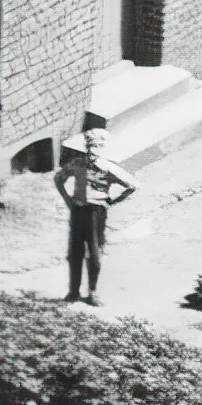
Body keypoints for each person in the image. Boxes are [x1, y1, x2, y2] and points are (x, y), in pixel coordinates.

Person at [56, 121, 134, 303]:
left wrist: (112, 202)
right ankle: (73, 292)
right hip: (77, 212)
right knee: (74, 253)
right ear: (86, 147)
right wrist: (68, 201)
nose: (93, 150)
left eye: (97, 146)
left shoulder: (107, 168)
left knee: (94, 254)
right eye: (90, 146)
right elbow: (59, 179)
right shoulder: (77, 164)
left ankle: (92, 292)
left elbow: (132, 185)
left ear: (102, 148)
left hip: (95, 213)